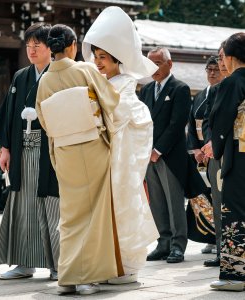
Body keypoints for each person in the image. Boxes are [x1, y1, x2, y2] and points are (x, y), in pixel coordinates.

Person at [36, 24, 121, 295]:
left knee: (71, 215)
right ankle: (86, 277)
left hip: (64, 149)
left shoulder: (45, 80)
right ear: (72, 45)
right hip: (91, 146)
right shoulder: (84, 70)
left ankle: (68, 277)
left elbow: (44, 119)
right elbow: (110, 100)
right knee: (95, 213)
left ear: (51, 48)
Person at [82, 6, 159, 285]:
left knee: (123, 206)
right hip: (106, 156)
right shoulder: (102, 82)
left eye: (103, 57)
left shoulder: (125, 83)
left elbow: (122, 115)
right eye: (96, 57)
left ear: (117, 59)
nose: (98, 62)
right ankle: (107, 263)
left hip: (120, 158)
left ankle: (125, 265)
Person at [0, 23, 60, 281]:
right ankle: (24, 263)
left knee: (51, 204)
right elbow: (7, 115)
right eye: (28, 46)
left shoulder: (59, 75)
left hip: (49, 151)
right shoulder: (21, 77)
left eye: (36, 46)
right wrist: (5, 148)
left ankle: (58, 264)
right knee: (23, 205)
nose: (31, 50)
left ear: (50, 47)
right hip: (21, 150)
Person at [139, 47, 208, 264]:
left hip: (169, 155)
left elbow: (177, 124)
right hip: (147, 155)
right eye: (150, 64)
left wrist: (158, 150)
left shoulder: (180, 88)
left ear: (170, 64)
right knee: (156, 202)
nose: (154, 68)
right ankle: (163, 242)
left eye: (158, 63)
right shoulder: (146, 89)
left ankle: (178, 245)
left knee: (174, 201)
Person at [209, 32, 245, 291]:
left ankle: (235, 275)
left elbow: (220, 119)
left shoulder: (232, 83)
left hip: (241, 153)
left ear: (230, 58)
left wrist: (218, 149)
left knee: (235, 212)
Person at [187, 56, 223, 255]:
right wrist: (195, 149)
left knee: (219, 198)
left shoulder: (225, 92)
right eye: (208, 69)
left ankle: (219, 240)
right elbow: (192, 124)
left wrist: (210, 147)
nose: (212, 73)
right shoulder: (200, 95)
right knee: (203, 197)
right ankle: (209, 236)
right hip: (201, 152)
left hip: (216, 149)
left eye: (216, 69)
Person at [201, 44, 230, 268]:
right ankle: (222, 251)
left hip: (235, 152)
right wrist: (209, 143)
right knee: (219, 204)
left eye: (222, 58)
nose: (219, 64)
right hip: (216, 153)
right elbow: (209, 121)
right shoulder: (216, 90)